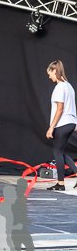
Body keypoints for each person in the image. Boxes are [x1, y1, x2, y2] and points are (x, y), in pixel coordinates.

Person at [44, 60, 77, 191]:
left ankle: (60, 184)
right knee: (60, 151)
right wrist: (74, 123)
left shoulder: (59, 87)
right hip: (70, 123)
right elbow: (72, 106)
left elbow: (60, 109)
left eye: (50, 73)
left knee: (57, 152)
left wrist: (51, 127)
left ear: (54, 71)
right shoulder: (69, 87)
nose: (49, 76)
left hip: (62, 123)